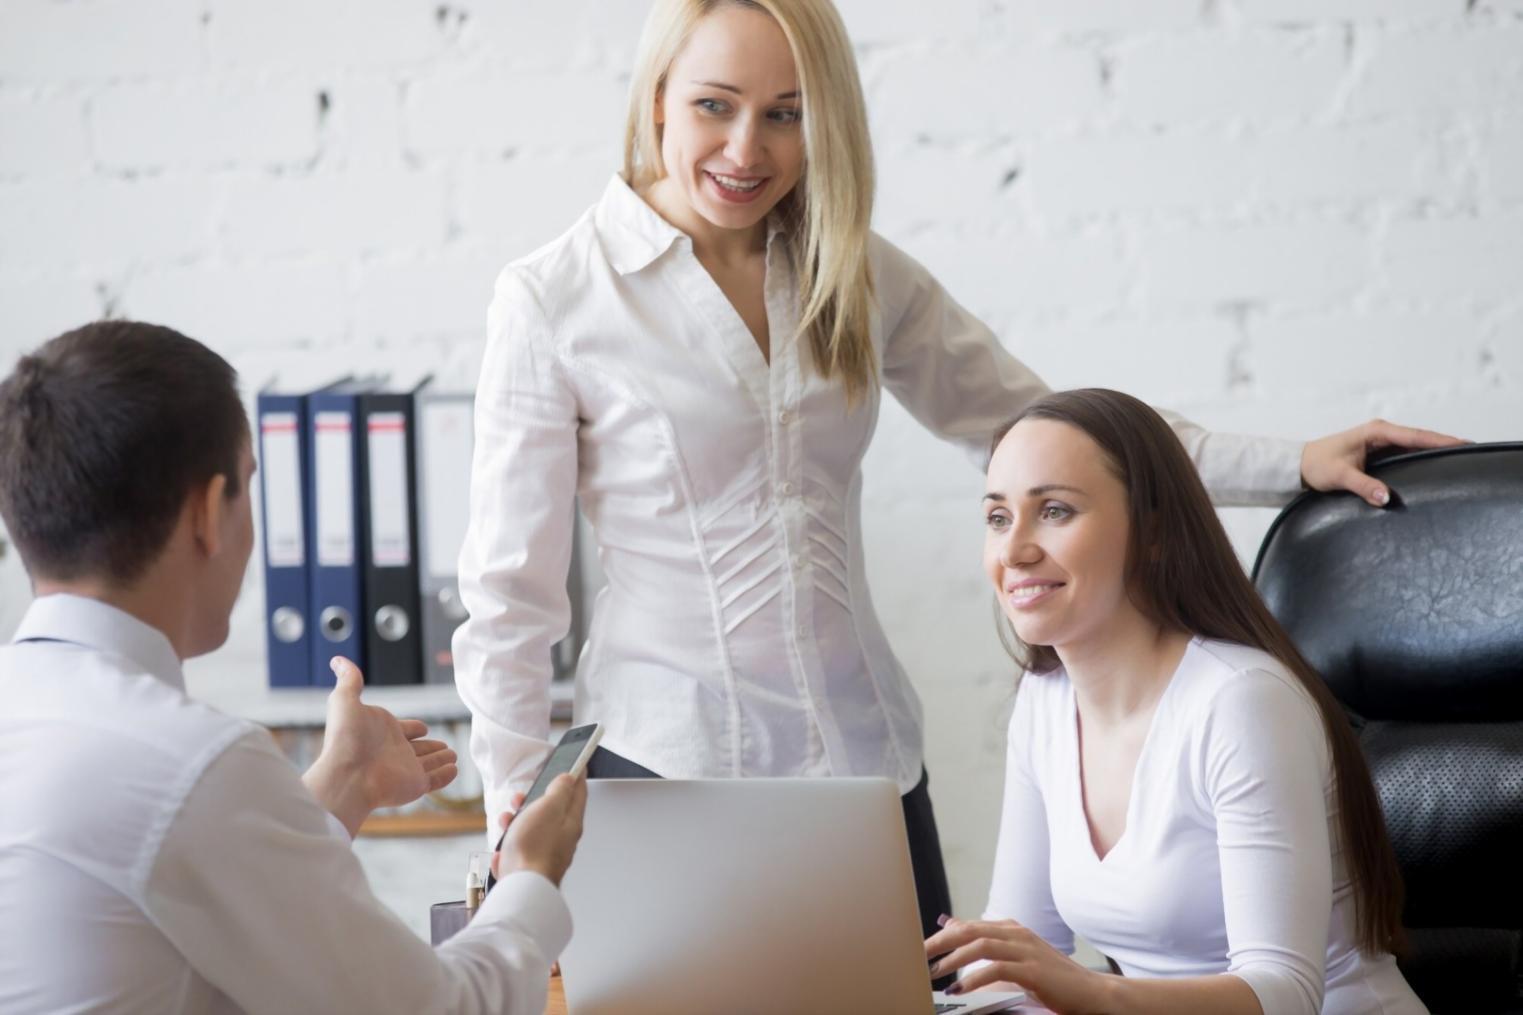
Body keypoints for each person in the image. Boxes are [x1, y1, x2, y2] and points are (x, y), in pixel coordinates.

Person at [452, 0, 1461, 942]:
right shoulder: (553, 301)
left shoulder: (850, 268)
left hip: (867, 768)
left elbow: (1046, 430)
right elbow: (510, 598)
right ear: (658, 94)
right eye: (713, 107)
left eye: (784, 115)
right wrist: (513, 817)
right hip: (661, 777)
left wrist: (1289, 461)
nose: (744, 149)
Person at [0, 320, 587, 1015]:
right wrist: (530, 875)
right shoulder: (190, 764)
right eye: (249, 486)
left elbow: (170, 874)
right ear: (207, 514)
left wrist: (344, 780)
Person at [923, 388, 1427, 1014]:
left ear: (1154, 531)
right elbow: (1019, 947)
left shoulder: (1240, 702)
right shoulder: (1045, 701)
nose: (1015, 549)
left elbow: (1286, 992)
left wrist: (1089, 992)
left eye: (1054, 510)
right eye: (998, 518)